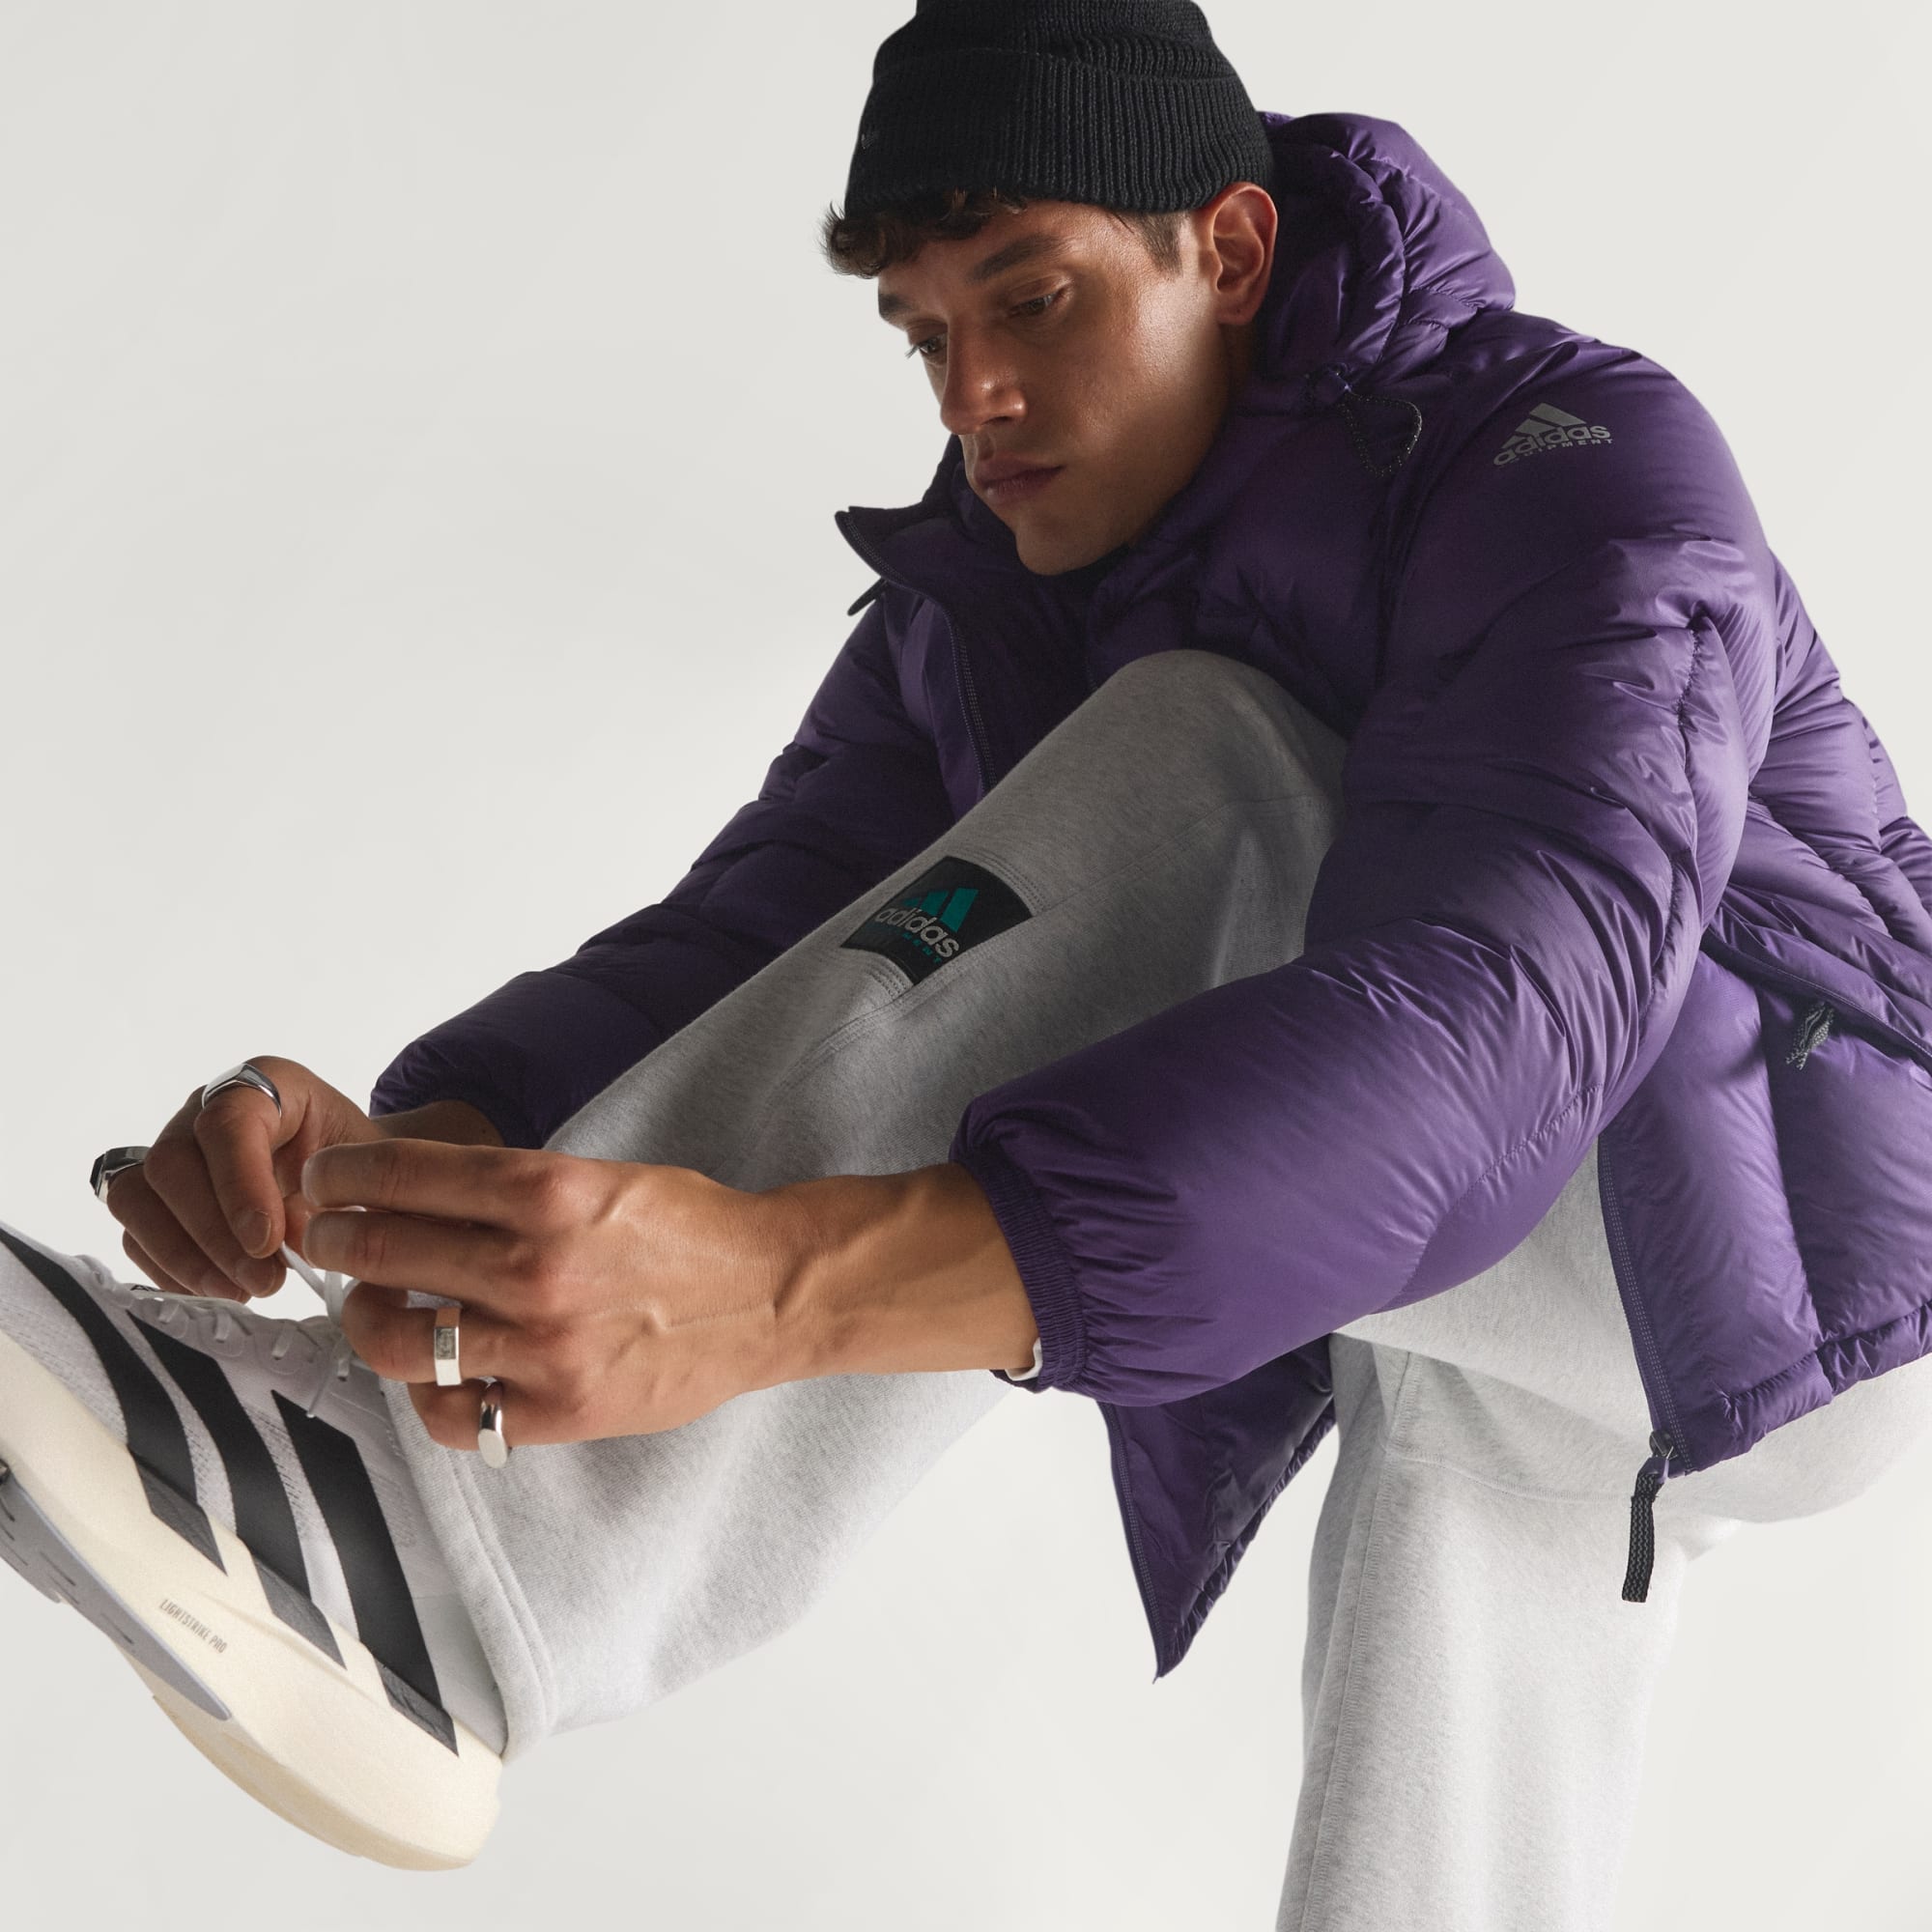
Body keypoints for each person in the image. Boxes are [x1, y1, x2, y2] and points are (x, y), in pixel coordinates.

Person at [4, 0, 1930, 1918]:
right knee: (1443, 1863)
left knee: (1209, 756)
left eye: (1034, 301)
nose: (973, 396)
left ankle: (436, 1569)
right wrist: (405, 1170)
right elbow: (758, 939)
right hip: (1496, 1301)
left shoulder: (1570, 465)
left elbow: (1496, 1034)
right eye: (927, 335)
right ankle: (332, 1476)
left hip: (1755, 1235)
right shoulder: (993, 588)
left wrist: (781, 1284)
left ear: (1227, 250)